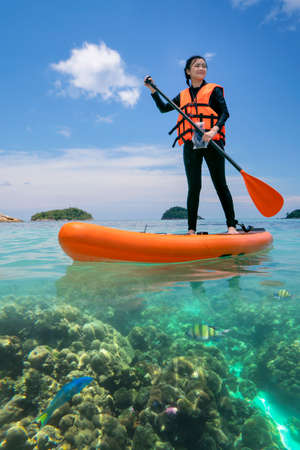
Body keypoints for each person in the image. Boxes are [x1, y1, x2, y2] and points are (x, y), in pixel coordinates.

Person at [144, 55, 239, 235]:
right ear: (188, 71)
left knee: (220, 184)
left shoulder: (214, 91)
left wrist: (213, 131)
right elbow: (164, 108)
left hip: (212, 140)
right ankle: (191, 230)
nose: (201, 68)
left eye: (204, 66)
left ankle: (231, 226)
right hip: (191, 143)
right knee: (194, 187)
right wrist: (152, 90)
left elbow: (225, 113)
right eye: (197, 66)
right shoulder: (183, 95)